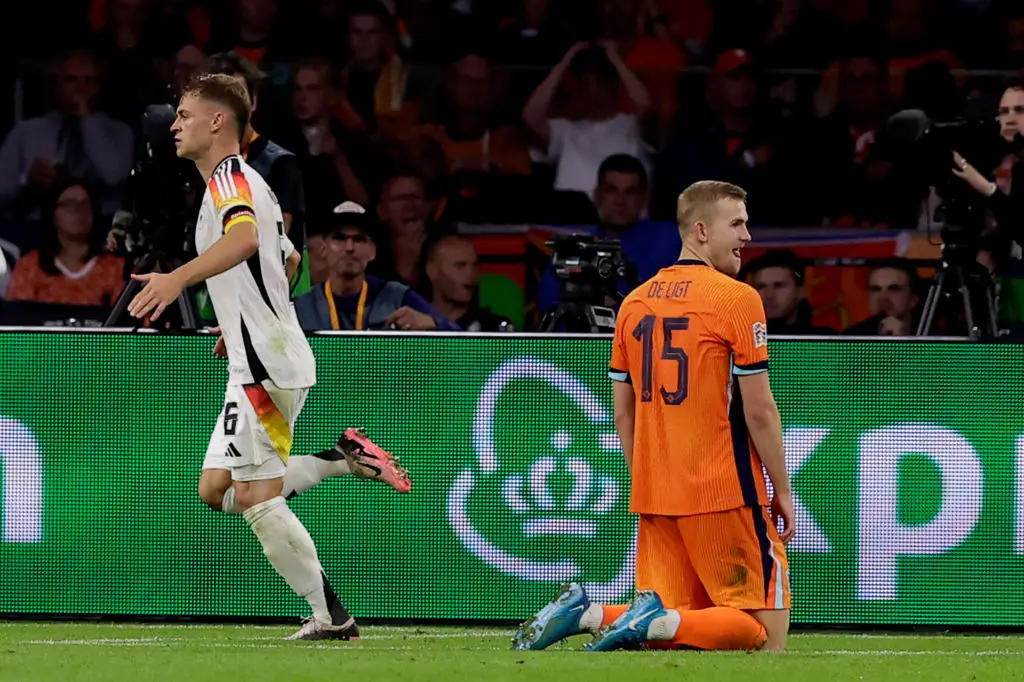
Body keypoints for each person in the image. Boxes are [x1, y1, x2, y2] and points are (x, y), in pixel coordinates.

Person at [125, 73, 411, 641]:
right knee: (218, 490)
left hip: (265, 366)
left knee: (256, 498)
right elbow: (288, 261)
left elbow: (248, 242)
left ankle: (332, 617)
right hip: (256, 356)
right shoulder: (246, 181)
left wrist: (177, 281)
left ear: (217, 122)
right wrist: (239, 319)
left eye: (184, 114)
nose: (175, 125)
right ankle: (340, 459)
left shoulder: (231, 176)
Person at [513, 180, 794, 653]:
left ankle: (590, 613)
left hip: (656, 490)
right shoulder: (737, 298)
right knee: (763, 635)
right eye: (738, 224)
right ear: (701, 231)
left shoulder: (634, 302)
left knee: (679, 628)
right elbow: (760, 411)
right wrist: (781, 488)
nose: (748, 236)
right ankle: (633, 620)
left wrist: (646, 474)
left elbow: (623, 414)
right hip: (723, 488)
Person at [294, 201, 460, 332]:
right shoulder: (302, 307)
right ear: (324, 249)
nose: (350, 247)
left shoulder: (398, 298)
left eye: (359, 239)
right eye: (340, 238)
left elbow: (465, 340)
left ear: (372, 251)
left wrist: (432, 323)